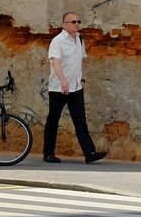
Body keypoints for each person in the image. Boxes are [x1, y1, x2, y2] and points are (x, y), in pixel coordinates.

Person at [43, 11, 106, 164]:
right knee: (53, 120)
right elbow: (55, 63)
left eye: (78, 21)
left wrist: (81, 79)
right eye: (73, 22)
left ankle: (89, 153)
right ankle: (48, 153)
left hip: (76, 88)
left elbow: (78, 62)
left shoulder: (79, 39)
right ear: (64, 25)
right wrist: (63, 81)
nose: (77, 24)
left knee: (80, 120)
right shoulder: (57, 41)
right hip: (59, 88)